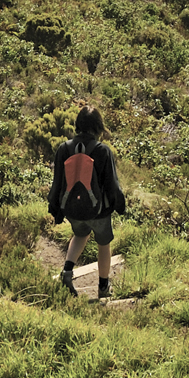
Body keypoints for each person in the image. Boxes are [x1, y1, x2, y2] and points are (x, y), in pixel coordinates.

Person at [48, 107, 127, 300]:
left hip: (72, 209)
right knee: (103, 243)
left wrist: (55, 208)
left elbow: (57, 183)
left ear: (78, 125)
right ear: (98, 127)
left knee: (80, 234)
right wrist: (120, 205)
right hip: (98, 211)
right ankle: (103, 287)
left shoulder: (63, 149)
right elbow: (112, 184)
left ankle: (67, 272)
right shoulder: (103, 151)